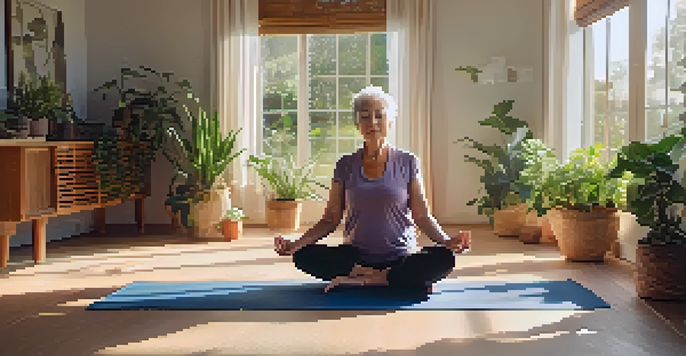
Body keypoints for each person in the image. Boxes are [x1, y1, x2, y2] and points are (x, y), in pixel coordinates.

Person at [274, 85, 470, 293]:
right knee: (304, 255)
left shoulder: (408, 162)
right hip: (356, 257)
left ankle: (370, 279)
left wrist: (447, 241)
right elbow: (331, 218)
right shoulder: (345, 165)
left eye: (379, 115)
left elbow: (421, 216)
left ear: (390, 121)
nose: (373, 122)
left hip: (400, 256)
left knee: (444, 258)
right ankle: (390, 279)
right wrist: (297, 243)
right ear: (358, 124)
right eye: (365, 116)